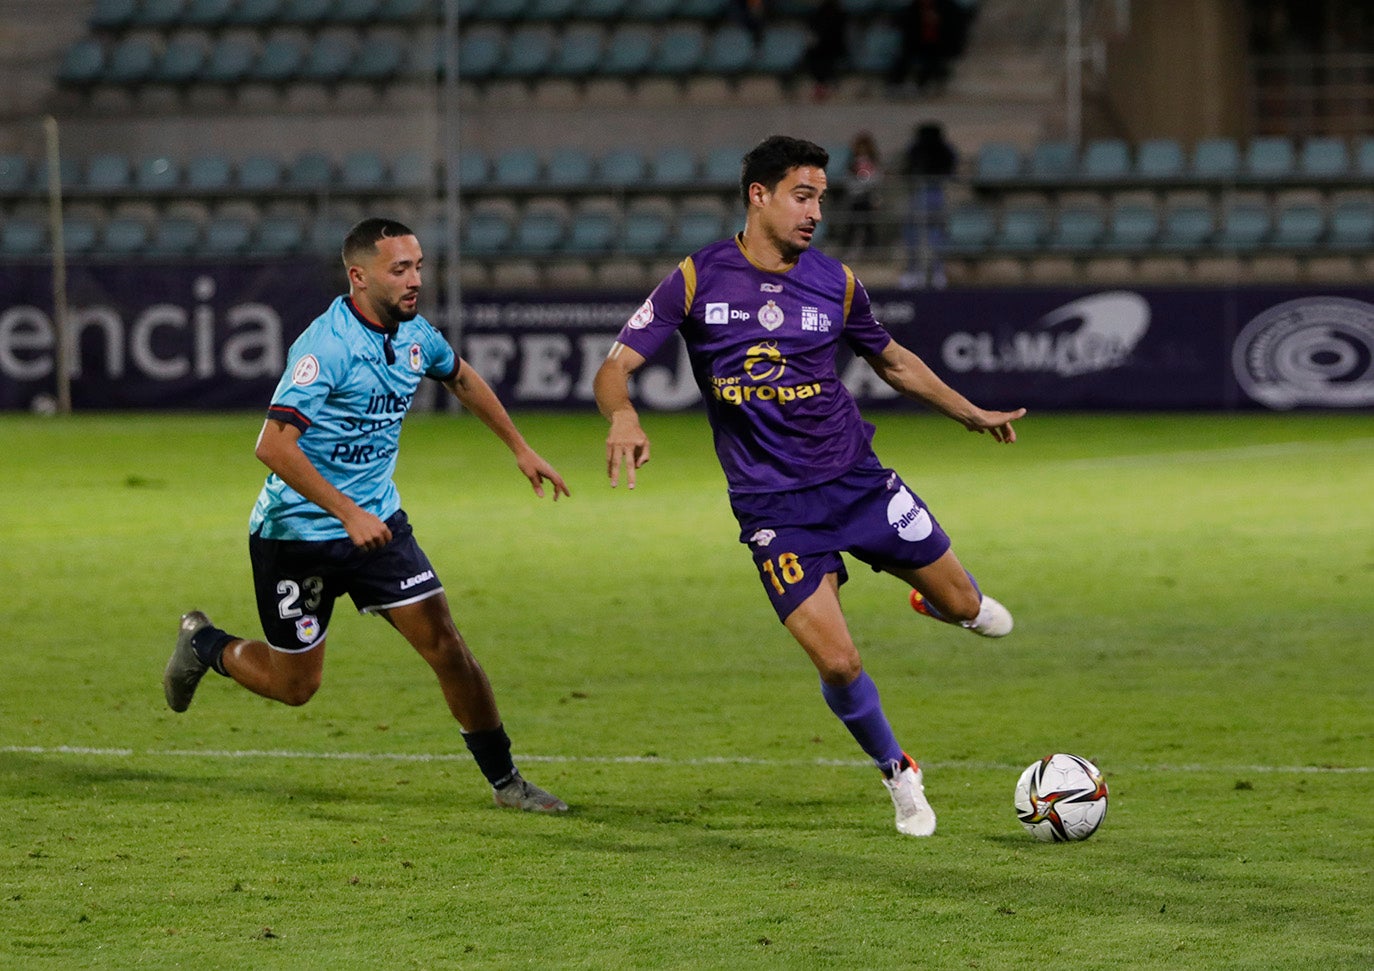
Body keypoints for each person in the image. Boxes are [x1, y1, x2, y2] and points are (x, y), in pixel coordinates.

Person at [593, 136, 1023, 837]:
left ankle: (935, 597)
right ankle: (898, 771)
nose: (816, 210)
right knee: (838, 656)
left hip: (860, 485)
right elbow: (615, 365)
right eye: (803, 194)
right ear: (758, 195)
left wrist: (969, 412)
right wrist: (623, 413)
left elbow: (895, 362)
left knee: (971, 607)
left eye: (820, 196)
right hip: (774, 511)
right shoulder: (698, 278)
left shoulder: (836, 281)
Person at [163, 217, 570, 814]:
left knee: (447, 646)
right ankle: (205, 646)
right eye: (400, 269)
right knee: (294, 686)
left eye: (419, 266)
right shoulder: (325, 348)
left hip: (379, 528)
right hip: (297, 536)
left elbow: (460, 377)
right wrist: (346, 511)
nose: (415, 280)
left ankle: (506, 781)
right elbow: (272, 446)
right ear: (359, 276)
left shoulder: (415, 335)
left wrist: (520, 447)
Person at [901, 121, 958, 289]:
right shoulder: (944, 148)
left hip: (929, 192)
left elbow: (907, 166)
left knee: (926, 231)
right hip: (930, 192)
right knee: (924, 231)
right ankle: (929, 272)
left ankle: (924, 272)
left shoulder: (919, 147)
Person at [844, 131, 883, 252]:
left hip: (868, 196)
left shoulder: (873, 162)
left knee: (869, 225)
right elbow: (848, 178)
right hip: (856, 196)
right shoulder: (852, 162)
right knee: (853, 224)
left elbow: (877, 177)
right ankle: (847, 248)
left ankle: (871, 250)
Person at [802, 0, 849, 100]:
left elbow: (838, 37)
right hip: (822, 49)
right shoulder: (816, 14)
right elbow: (812, 35)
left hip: (833, 48)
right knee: (814, 55)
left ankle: (825, 85)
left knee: (822, 57)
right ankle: (822, 85)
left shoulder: (839, 14)